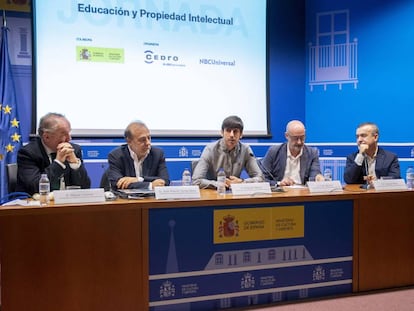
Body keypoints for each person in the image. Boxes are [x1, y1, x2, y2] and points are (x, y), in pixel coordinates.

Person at [16, 112, 91, 195]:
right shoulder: (28, 153)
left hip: (67, 204)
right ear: (46, 137)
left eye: (69, 133)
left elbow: (85, 187)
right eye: (63, 134)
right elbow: (35, 187)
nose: (69, 138)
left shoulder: (74, 150)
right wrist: (58, 163)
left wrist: (74, 164)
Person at [192, 115, 264, 189]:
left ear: (241, 134)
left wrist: (242, 182)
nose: (232, 135)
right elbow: (196, 180)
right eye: (228, 131)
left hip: (235, 195)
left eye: (235, 131)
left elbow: (260, 178)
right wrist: (217, 184)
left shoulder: (245, 149)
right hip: (213, 193)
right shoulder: (210, 149)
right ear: (222, 132)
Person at [107, 120, 169, 190]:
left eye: (149, 138)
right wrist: (150, 185)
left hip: (151, 199)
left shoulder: (157, 154)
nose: (148, 143)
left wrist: (139, 179)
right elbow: (117, 183)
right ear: (129, 141)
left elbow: (165, 180)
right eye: (142, 140)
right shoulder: (116, 156)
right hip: (127, 200)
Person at [260, 120, 324, 186]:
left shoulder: (312, 153)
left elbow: (314, 175)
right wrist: (279, 183)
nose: (299, 142)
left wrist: (318, 178)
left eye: (302, 138)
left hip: (303, 193)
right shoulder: (274, 151)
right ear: (287, 136)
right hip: (280, 193)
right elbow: (262, 178)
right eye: (295, 138)